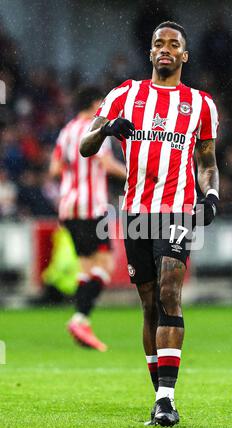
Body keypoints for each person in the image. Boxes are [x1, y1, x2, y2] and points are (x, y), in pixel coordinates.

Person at [80, 22, 219, 426]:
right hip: (136, 212)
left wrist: (210, 195)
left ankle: (165, 400)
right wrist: (108, 128)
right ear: (150, 52)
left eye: (174, 44)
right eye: (158, 43)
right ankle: (159, 393)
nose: (165, 49)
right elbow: (86, 147)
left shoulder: (201, 104)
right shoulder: (125, 94)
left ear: (184, 56)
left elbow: (207, 162)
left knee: (169, 291)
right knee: (149, 304)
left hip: (178, 208)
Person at [50, 86, 126, 351]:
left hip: (68, 206)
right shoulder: (97, 128)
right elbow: (105, 164)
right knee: (106, 263)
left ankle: (83, 321)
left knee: (85, 267)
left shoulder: (66, 130)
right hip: (92, 206)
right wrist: (135, 175)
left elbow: (55, 168)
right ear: (96, 103)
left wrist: (75, 178)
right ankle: (80, 318)